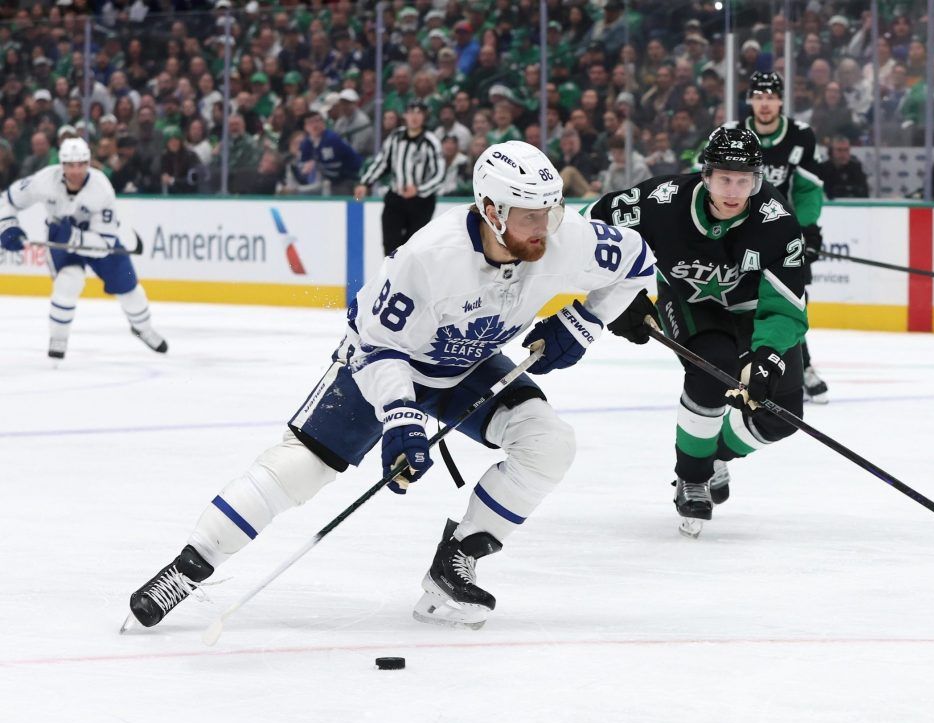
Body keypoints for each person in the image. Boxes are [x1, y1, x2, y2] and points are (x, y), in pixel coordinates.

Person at [123, 141, 653, 631]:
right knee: (300, 470)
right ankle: (190, 566)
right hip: (381, 365)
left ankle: (456, 561)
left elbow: (637, 260)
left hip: (464, 366)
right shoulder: (427, 258)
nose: (547, 226)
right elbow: (378, 348)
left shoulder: (568, 238)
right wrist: (401, 417)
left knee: (548, 442)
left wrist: (586, 321)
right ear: (492, 211)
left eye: (553, 210)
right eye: (531, 215)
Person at [586, 127, 807, 538]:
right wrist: (612, 293)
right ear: (704, 175)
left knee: (784, 416)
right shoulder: (660, 201)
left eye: (745, 180)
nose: (734, 190)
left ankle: (711, 456)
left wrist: (767, 357)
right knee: (710, 372)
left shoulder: (776, 222)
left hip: (754, 311)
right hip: (691, 303)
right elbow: (587, 230)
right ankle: (691, 475)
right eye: (724, 178)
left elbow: (785, 306)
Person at [0, 137, 167, 360]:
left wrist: (75, 237)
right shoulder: (45, 180)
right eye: (70, 165)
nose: (76, 171)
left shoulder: (102, 190)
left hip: (99, 243)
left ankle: (143, 328)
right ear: (62, 165)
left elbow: (105, 244)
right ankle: (58, 337)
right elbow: (7, 200)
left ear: (89, 163)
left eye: (81, 164)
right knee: (69, 281)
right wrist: (8, 226)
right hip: (60, 238)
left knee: (130, 289)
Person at [736, 71, 828, 404]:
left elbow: (807, 189)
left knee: (790, 302)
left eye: (770, 97)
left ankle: (801, 368)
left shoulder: (801, 136)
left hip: (784, 235)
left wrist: (807, 231)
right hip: (741, 235)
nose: (764, 104)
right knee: (748, 304)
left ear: (780, 100)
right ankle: (757, 367)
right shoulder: (734, 134)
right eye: (758, 97)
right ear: (751, 100)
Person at [354, 101, 445, 256]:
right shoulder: (395, 137)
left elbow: (439, 174)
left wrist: (418, 190)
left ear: (424, 117)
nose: (414, 117)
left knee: (414, 247)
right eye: (411, 113)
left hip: (421, 202)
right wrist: (365, 182)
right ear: (405, 116)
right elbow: (382, 163)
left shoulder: (431, 141)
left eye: (419, 113)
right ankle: (391, 279)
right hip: (396, 198)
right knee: (390, 245)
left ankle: (410, 279)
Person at [297, 109, 362, 196]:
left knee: (338, 194)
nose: (315, 125)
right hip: (331, 181)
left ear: (323, 123)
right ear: (305, 127)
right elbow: (302, 166)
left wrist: (315, 163)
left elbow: (335, 171)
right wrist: (305, 170)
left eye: (317, 121)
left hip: (350, 178)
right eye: (310, 122)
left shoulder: (330, 139)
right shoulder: (307, 143)